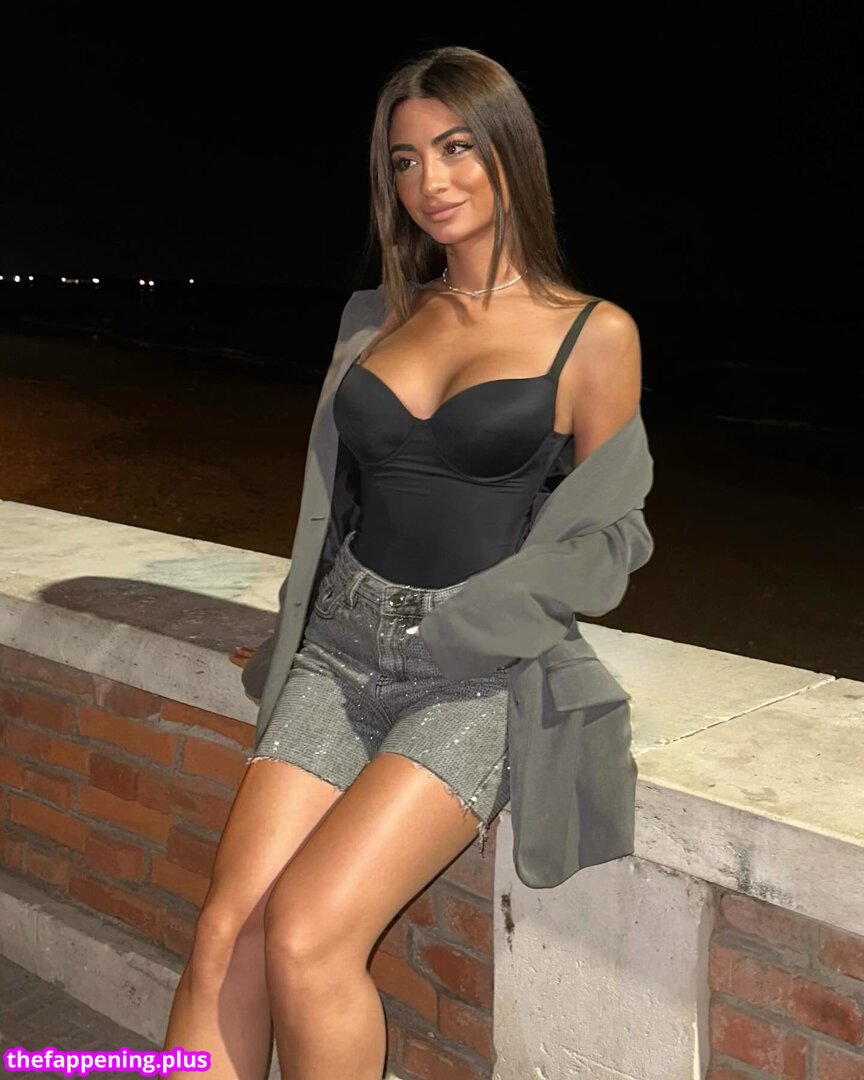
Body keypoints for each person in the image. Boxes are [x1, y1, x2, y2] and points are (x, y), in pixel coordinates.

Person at [163, 45, 643, 1080]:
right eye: (406, 160)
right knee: (225, 932)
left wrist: (490, 618)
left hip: (472, 676)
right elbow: (337, 503)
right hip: (338, 654)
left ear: (510, 152)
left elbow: (613, 532)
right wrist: (297, 619)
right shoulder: (375, 316)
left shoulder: (594, 335)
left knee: (306, 938)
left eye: (457, 148)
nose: (432, 180)